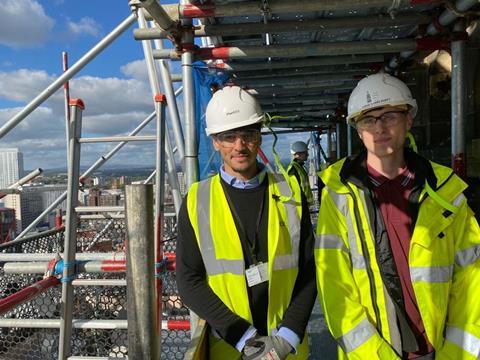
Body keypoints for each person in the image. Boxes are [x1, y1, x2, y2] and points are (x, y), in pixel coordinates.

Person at [314, 73, 480, 359]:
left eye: (390, 115)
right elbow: (335, 288)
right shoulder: (339, 195)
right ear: (357, 129)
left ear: (409, 119)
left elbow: (471, 279)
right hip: (371, 352)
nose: (379, 128)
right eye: (368, 119)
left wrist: (457, 352)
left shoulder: (446, 190)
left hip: (439, 348)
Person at [176, 86, 317, 360]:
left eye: (248, 134)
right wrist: (244, 338)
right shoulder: (197, 201)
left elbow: (310, 269)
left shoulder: (290, 192)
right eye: (229, 137)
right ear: (215, 141)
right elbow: (188, 280)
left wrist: (288, 335)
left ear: (260, 136)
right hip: (231, 348)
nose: (239, 146)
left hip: (288, 350)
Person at [287, 141, 314, 206]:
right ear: (297, 154)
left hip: (304, 203)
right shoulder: (293, 169)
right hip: (300, 204)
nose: (307, 154)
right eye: (305, 153)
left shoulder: (299, 167)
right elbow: (294, 188)